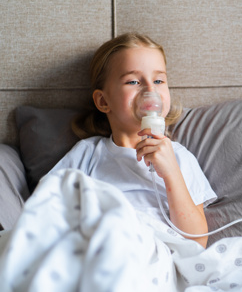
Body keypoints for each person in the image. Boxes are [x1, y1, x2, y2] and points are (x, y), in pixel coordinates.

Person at [49, 33, 216, 247]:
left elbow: (198, 241)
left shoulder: (180, 158)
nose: (150, 89)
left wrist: (171, 172)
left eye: (158, 80)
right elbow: (48, 212)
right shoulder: (87, 155)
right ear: (103, 100)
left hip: (158, 256)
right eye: (133, 81)